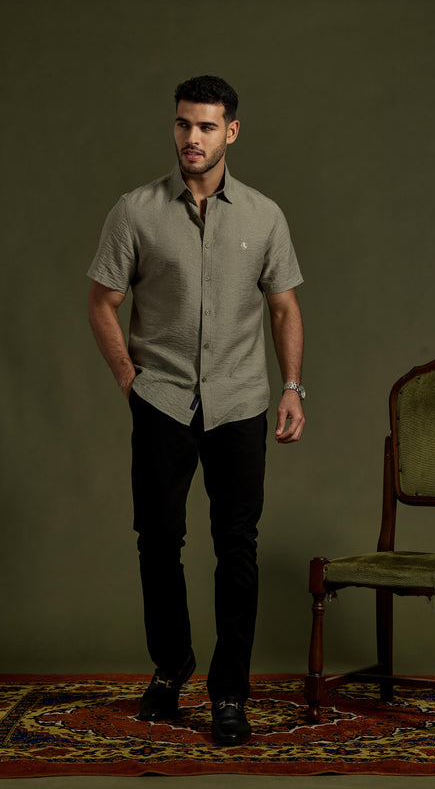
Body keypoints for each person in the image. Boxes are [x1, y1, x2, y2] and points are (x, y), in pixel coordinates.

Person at [87, 76, 305, 745]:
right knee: (157, 540)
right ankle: (171, 665)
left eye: (206, 126)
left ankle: (229, 692)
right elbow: (102, 302)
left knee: (237, 545)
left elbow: (283, 307)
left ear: (230, 131)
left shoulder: (264, 216)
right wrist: (130, 380)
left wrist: (292, 387)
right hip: (162, 399)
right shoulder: (135, 211)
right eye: (184, 124)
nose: (192, 137)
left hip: (239, 402)